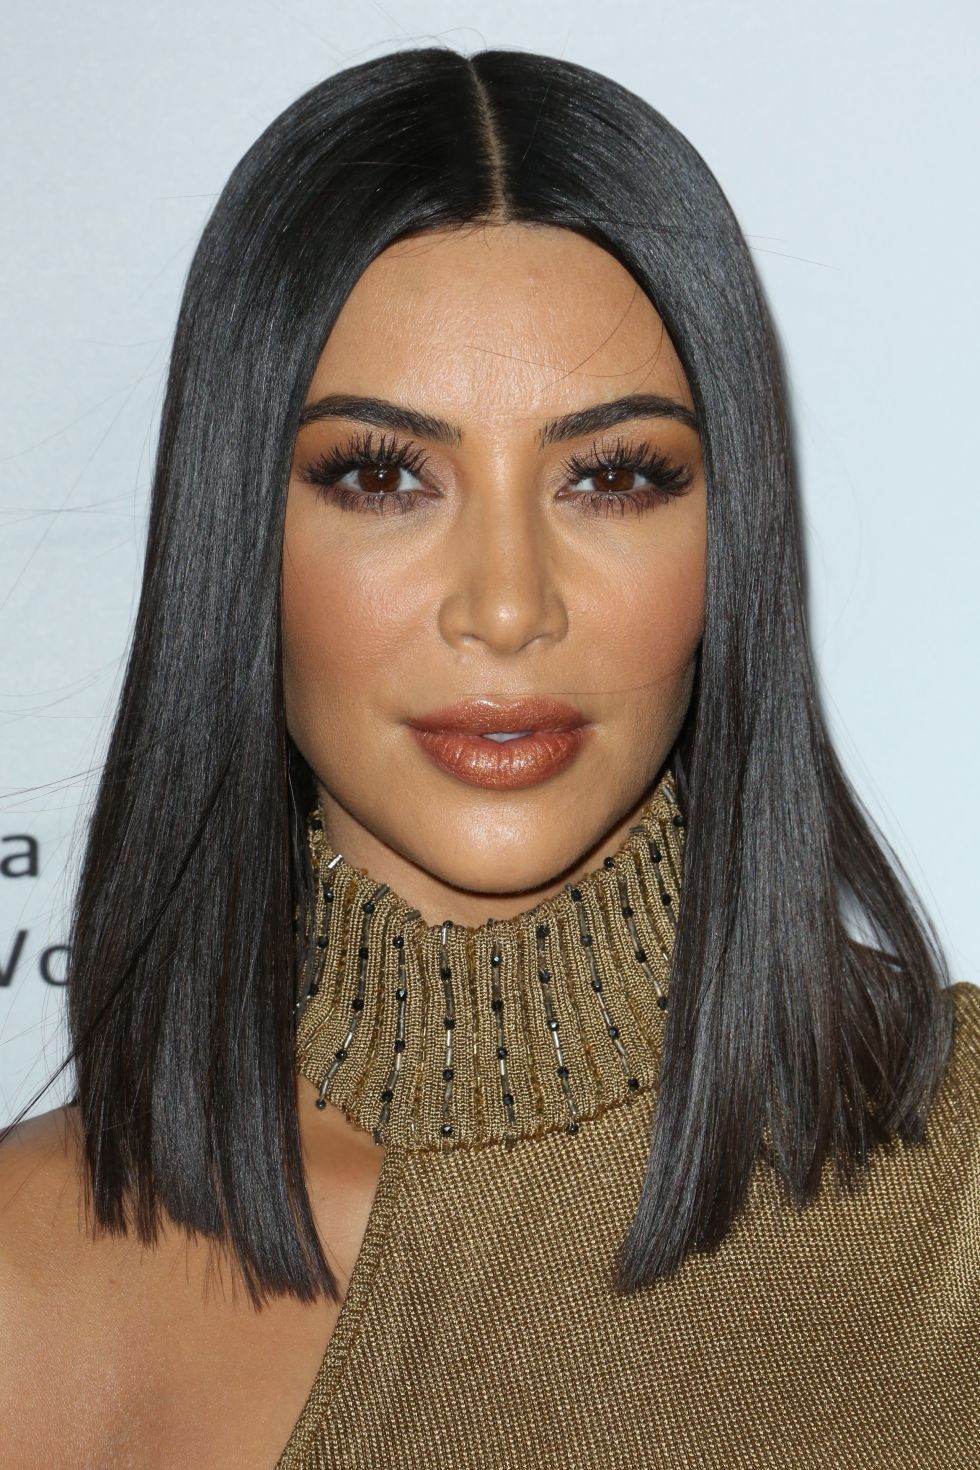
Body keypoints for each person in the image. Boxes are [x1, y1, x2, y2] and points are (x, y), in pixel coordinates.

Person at [0, 43, 976, 1470]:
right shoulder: (29, 1280)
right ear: (239, 535)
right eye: (382, 475)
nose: (508, 607)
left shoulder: (959, 1200)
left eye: (614, 476)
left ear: (731, 539)